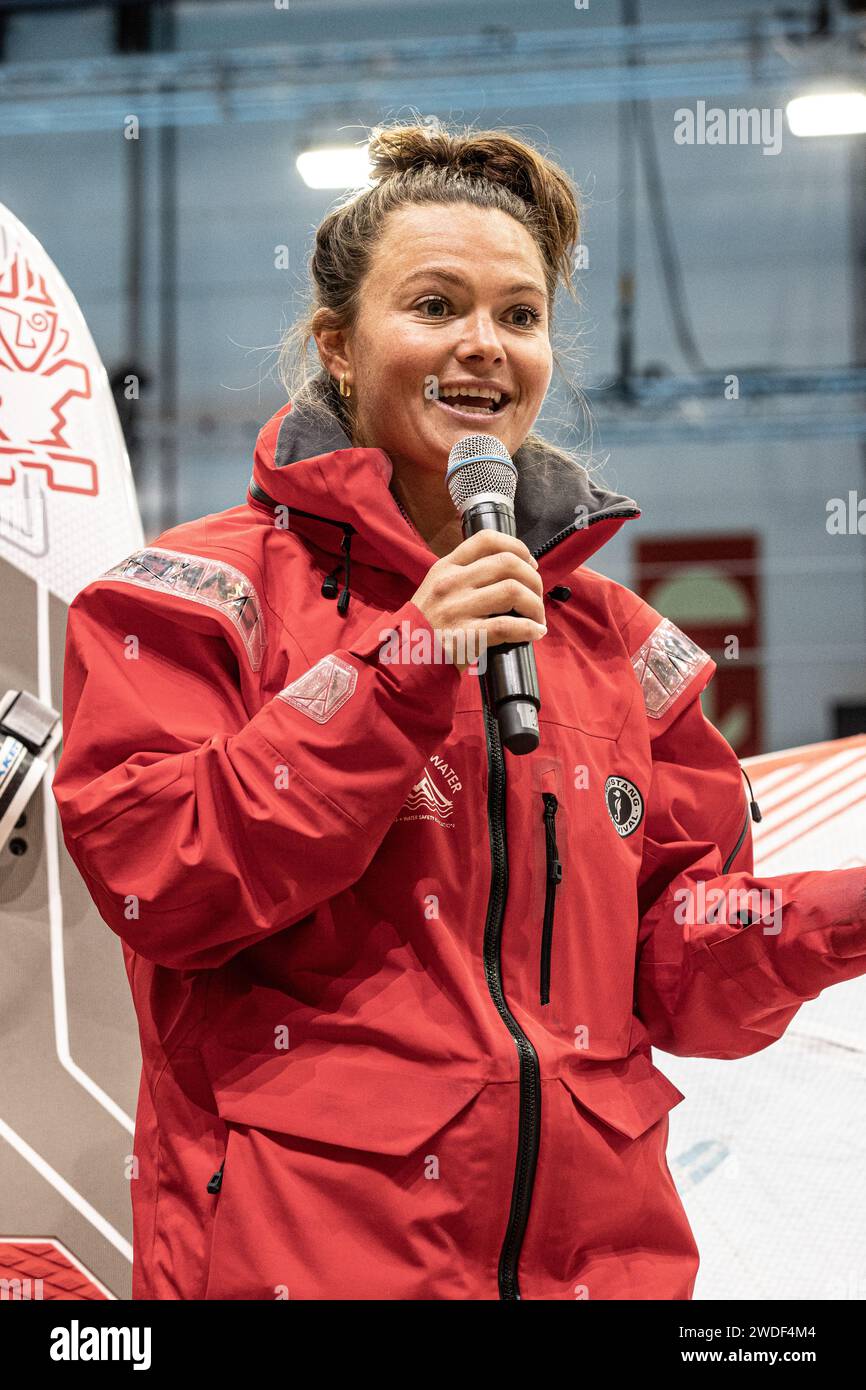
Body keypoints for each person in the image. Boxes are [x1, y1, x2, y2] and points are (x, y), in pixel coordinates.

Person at [52, 122, 866, 1302]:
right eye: (433, 306)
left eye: (518, 316)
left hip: (605, 1266)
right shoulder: (185, 597)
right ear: (335, 345)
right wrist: (404, 664)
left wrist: (842, 912)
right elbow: (163, 878)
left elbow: (680, 974)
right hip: (309, 1261)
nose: (482, 347)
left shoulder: (622, 644)